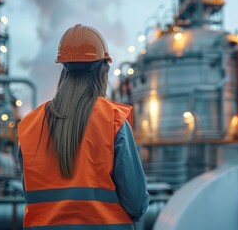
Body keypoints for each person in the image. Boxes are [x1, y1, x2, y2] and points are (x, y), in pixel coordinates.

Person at [17, 24, 150, 229]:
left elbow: (31, 195)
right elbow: (136, 203)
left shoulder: (29, 126)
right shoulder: (113, 120)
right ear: (103, 69)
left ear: (64, 67)